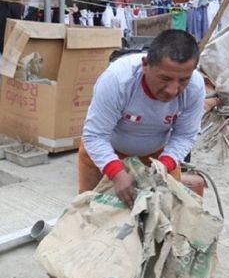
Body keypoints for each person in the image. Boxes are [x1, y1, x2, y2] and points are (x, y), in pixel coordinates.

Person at [78, 29, 205, 208]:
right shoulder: (117, 80)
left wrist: (164, 166)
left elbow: (185, 135)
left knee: (166, 213)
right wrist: (116, 172)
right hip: (105, 151)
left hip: (157, 157)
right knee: (90, 211)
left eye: (183, 80)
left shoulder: (195, 87)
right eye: (165, 78)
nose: (173, 90)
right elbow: (95, 135)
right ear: (146, 65)